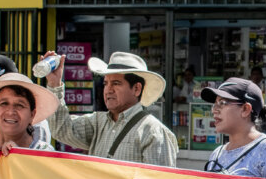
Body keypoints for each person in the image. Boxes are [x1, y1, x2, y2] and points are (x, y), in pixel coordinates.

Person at [45, 51, 178, 167]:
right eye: (106, 83)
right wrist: (54, 84)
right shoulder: (97, 122)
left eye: (116, 83)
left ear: (137, 89)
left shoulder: (153, 132)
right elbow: (61, 129)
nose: (108, 90)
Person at [202, 78, 266, 178]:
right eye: (215, 105)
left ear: (245, 109)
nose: (214, 110)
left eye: (222, 103)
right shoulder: (217, 153)